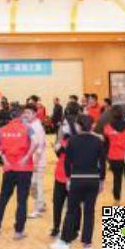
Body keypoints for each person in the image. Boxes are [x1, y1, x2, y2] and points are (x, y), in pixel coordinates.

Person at [50, 114, 106, 249]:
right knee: (89, 211)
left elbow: (67, 162)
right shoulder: (98, 141)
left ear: (79, 126)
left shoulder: (72, 141)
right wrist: (102, 180)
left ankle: (65, 241)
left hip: (77, 179)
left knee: (71, 210)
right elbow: (102, 163)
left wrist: (68, 178)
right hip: (93, 179)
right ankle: (87, 244)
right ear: (91, 126)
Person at [0, 106, 37, 240]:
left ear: (11, 116)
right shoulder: (28, 128)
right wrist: (27, 157)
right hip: (24, 169)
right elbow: (35, 142)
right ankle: (18, 231)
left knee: (3, 198)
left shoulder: (3, 129)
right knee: (22, 200)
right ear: (21, 116)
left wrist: (2, 156)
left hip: (9, 168)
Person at [51, 101, 79, 238]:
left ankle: (58, 228)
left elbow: (58, 152)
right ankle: (73, 229)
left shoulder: (64, 138)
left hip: (65, 175)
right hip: (69, 174)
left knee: (60, 203)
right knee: (72, 204)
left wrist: (61, 149)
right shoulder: (78, 139)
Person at [103, 105, 125, 205]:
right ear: (122, 114)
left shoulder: (107, 127)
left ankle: (116, 200)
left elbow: (106, 143)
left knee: (117, 179)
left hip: (114, 157)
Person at [27, 104, 47, 218]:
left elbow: (39, 147)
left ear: (35, 114)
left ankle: (37, 209)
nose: (26, 115)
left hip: (37, 161)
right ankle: (41, 204)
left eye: (29, 113)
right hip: (36, 160)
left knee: (34, 185)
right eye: (25, 113)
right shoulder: (33, 125)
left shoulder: (36, 127)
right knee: (37, 184)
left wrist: (35, 163)